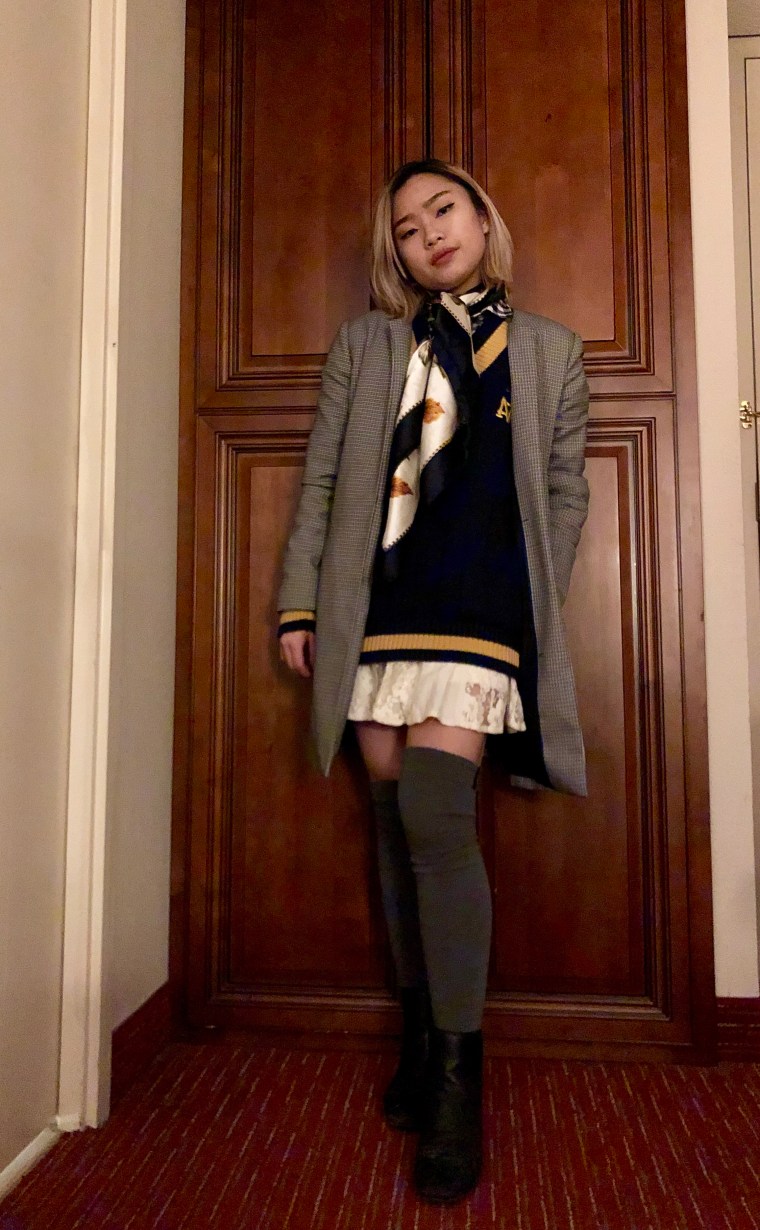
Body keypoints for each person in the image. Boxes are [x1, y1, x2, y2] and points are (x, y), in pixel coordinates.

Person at [277, 159, 590, 1205]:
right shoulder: (368, 346)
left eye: (442, 210)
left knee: (437, 821)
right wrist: (300, 604)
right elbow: (325, 479)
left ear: (482, 218)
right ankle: (419, 1040)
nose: (429, 235)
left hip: (478, 615)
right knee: (392, 822)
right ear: (398, 257)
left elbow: (564, 491)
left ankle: (458, 1084)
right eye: (407, 230)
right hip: (379, 607)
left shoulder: (548, 350)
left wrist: (531, 598)